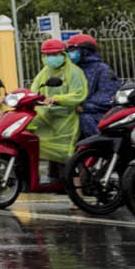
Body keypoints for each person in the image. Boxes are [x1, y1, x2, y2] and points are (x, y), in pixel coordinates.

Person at [32, 38, 87, 175]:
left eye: (55, 54)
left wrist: (57, 99)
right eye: (48, 55)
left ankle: (72, 183)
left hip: (66, 117)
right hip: (47, 115)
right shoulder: (44, 73)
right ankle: (51, 179)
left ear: (63, 54)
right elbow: (34, 89)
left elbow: (78, 94)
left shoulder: (74, 72)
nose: (52, 58)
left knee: (64, 152)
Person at [66, 33, 119, 138]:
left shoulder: (102, 69)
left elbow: (108, 95)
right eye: (69, 51)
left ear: (86, 51)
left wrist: (84, 106)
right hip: (70, 110)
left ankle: (101, 147)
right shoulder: (69, 70)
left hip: (94, 112)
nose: (71, 54)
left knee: (85, 119)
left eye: (74, 50)